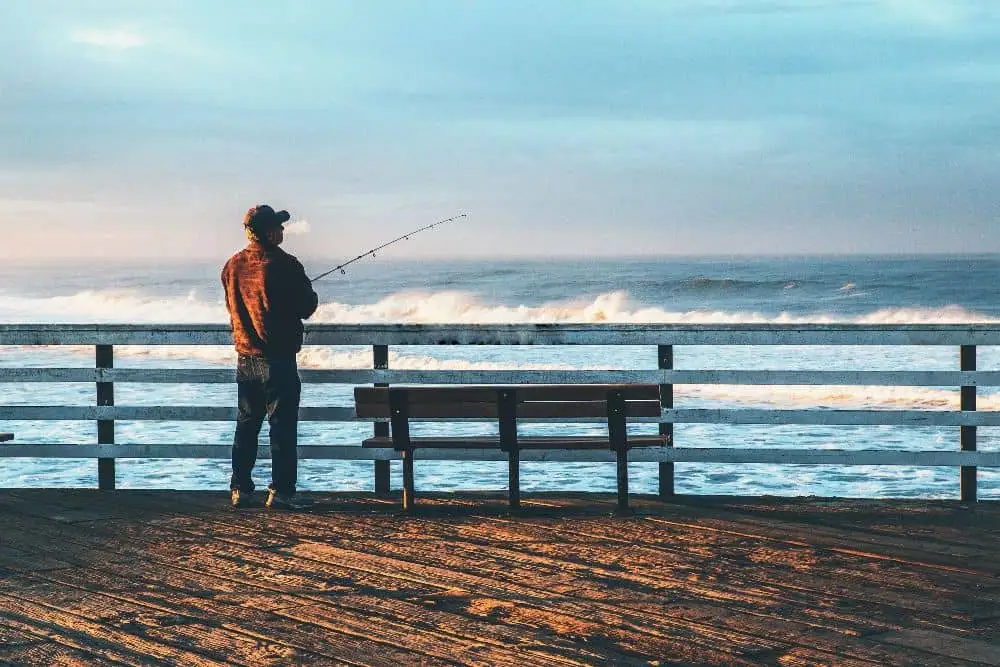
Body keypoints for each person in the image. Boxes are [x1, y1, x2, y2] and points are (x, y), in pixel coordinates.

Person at [221, 204, 318, 509]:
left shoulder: (232, 265)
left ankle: (240, 488)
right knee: (283, 427)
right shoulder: (285, 264)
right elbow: (307, 306)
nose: (284, 230)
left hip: (245, 357)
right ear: (267, 232)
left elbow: (233, 305)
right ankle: (281, 492)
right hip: (278, 359)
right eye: (278, 225)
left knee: (246, 425)